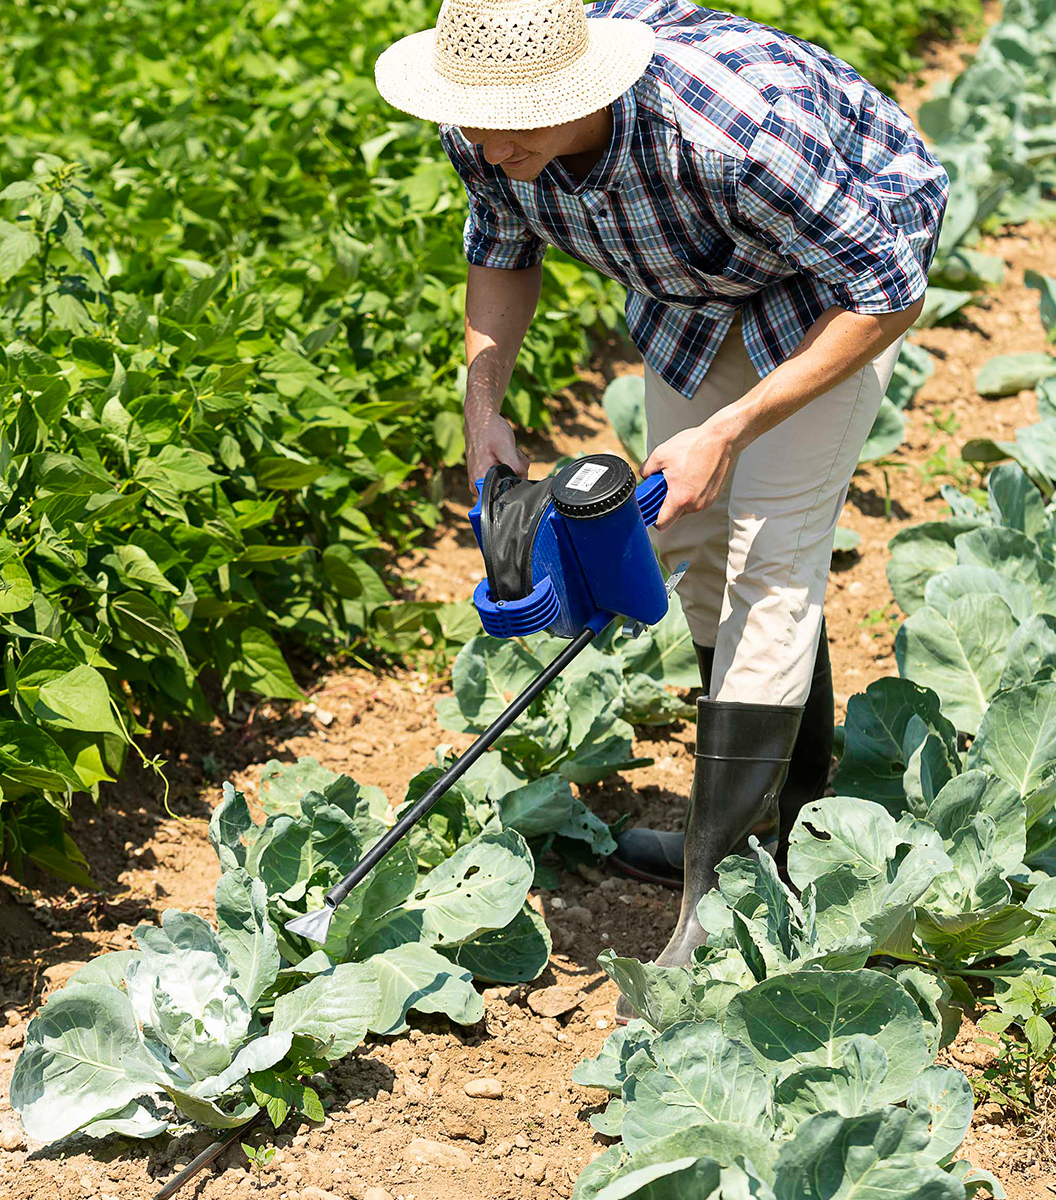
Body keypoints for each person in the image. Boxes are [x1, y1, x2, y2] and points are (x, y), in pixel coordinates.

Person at [374, 0, 948, 1009]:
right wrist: (483, 404)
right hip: (695, 294)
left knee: (773, 558)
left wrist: (730, 430)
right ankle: (780, 823)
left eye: (520, 126)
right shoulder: (484, 127)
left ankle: (718, 897)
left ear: (587, 91)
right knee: (690, 547)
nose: (495, 147)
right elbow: (501, 251)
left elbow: (888, 288)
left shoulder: (735, 132)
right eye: (478, 125)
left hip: (836, 288)